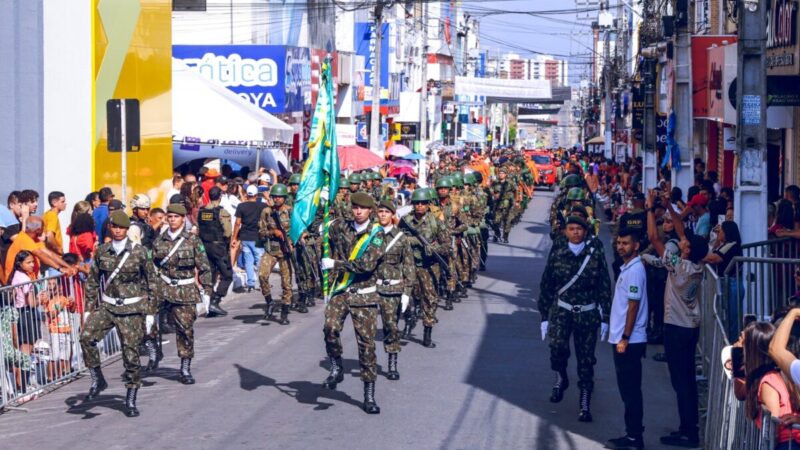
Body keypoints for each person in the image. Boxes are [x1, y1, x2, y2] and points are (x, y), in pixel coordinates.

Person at [79, 210, 158, 417]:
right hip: (108, 306)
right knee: (86, 337)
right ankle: (98, 378)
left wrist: (150, 313)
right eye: (114, 227)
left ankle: (130, 397)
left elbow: (152, 283)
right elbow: (94, 281)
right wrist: (88, 309)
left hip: (132, 309)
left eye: (121, 227)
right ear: (109, 228)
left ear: (127, 230)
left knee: (130, 355)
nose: (118, 231)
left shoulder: (139, 252)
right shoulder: (102, 251)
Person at [645, 190, 707, 447]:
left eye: (685, 243)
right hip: (690, 327)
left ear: (688, 251)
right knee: (687, 381)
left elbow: (653, 237)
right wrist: (668, 205)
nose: (682, 240)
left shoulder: (679, 267)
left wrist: (651, 209)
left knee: (680, 381)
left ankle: (688, 432)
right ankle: (687, 427)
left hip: (677, 329)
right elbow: (682, 230)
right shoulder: (696, 265)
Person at [539, 215, 611, 422]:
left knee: (586, 359)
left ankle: (584, 401)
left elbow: (603, 283)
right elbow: (547, 282)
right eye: (571, 228)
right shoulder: (559, 251)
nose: (575, 232)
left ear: (585, 231)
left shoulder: (595, 252)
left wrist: (605, 315)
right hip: (562, 311)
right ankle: (561, 377)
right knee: (557, 348)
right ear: (565, 231)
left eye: (579, 229)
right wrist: (544, 314)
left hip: (587, 313)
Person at [320, 192, 385, 414]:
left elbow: (365, 265)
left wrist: (334, 263)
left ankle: (368, 395)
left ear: (370, 211)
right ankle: (337, 366)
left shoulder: (377, 235)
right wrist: (322, 204)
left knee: (366, 345)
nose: (358, 211)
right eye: (355, 207)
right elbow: (323, 226)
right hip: (341, 291)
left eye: (362, 208)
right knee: (330, 327)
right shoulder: (342, 227)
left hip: (364, 295)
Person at [151, 203, 213, 384]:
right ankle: (154, 348)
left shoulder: (192, 241)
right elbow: (151, 266)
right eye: (169, 217)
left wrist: (207, 291)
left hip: (185, 290)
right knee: (144, 319)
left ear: (183, 218)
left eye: (176, 217)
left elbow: (203, 267)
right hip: (163, 287)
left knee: (185, 330)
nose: (172, 220)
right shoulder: (159, 241)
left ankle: (185, 367)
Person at [606, 229, 648, 450]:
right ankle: (632, 434)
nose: (621, 246)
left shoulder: (635, 271)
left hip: (629, 341)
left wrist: (625, 337)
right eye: (619, 243)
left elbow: (633, 306)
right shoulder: (628, 268)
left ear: (636, 245)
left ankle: (634, 438)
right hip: (623, 338)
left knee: (631, 391)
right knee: (627, 391)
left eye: (625, 243)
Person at [399, 189, 449, 347]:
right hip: (408, 265)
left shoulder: (436, 222)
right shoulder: (406, 221)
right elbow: (396, 240)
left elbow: (447, 246)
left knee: (430, 299)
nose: (420, 206)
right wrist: (413, 241)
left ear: (428, 205)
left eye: (423, 203)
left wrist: (435, 249)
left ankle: (427, 332)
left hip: (428, 266)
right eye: (417, 203)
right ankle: (408, 320)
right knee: (405, 296)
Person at [374, 199, 416, 380]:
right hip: (371, 288)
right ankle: (367, 361)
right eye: (380, 211)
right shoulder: (370, 235)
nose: (383, 214)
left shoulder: (401, 238)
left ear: (393, 215)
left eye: (386, 211)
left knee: (390, 326)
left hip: (392, 289)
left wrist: (407, 292)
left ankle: (392, 361)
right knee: (366, 330)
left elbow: (409, 266)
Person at [258, 183, 295, 324]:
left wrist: (292, 241)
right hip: (271, 250)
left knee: (287, 283)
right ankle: (269, 301)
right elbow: (261, 232)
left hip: (285, 251)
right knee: (262, 275)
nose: (277, 199)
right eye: (275, 197)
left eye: (280, 197)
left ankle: (284, 313)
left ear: (285, 198)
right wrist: (273, 232)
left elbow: (296, 230)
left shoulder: (291, 212)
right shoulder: (267, 212)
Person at [197, 187, 233, 317]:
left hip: (205, 246)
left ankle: (210, 302)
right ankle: (215, 300)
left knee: (211, 275)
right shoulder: (221, 212)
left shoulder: (201, 211)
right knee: (227, 275)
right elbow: (228, 232)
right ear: (220, 196)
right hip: (218, 246)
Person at [5, 216, 75, 282]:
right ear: (38, 230)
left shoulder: (33, 238)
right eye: (43, 227)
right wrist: (60, 269)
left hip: (28, 279)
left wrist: (68, 266)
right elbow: (41, 255)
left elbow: (50, 254)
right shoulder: (24, 239)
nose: (44, 230)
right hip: (15, 281)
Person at [39, 276, 77, 381]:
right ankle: (50, 378)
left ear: (59, 286)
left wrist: (73, 303)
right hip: (55, 331)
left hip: (66, 329)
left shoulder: (63, 298)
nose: (51, 287)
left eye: (53, 284)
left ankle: (61, 376)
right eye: (49, 284)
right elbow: (50, 315)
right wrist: (59, 306)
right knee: (54, 355)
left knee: (64, 354)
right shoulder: (47, 300)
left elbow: (72, 310)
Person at [232, 185, 267, 293]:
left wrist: (234, 237)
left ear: (247, 194)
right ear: (256, 195)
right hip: (257, 237)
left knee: (248, 260)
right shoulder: (262, 206)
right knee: (259, 260)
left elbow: (238, 223)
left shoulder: (241, 206)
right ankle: (263, 282)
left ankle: (251, 283)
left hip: (245, 237)